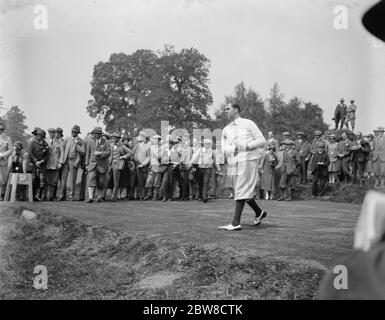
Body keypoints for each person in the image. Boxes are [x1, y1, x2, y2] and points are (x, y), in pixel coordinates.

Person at [219, 103, 267, 231]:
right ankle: (259, 212)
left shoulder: (248, 123)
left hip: (249, 159)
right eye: (225, 109)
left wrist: (247, 146)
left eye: (228, 109)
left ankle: (235, 223)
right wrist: (234, 148)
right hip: (234, 161)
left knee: (241, 188)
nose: (225, 111)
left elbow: (262, 140)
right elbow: (223, 148)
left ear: (236, 110)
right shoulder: (226, 129)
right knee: (240, 190)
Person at [58, 125, 85, 201]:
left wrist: (77, 145)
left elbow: (83, 152)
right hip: (66, 160)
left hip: (74, 161)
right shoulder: (67, 139)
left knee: (73, 180)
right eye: (72, 131)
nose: (73, 133)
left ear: (78, 133)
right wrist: (61, 161)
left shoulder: (81, 141)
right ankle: (61, 195)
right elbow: (62, 150)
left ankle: (71, 196)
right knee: (63, 179)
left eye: (75, 132)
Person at [189, 138, 221, 203]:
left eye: (209, 144)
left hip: (208, 168)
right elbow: (195, 157)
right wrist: (191, 163)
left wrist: (219, 169)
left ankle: (205, 197)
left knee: (206, 182)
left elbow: (216, 161)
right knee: (200, 183)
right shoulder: (200, 150)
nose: (208, 145)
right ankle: (201, 196)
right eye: (206, 143)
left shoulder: (212, 151)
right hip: (200, 168)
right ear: (204, 144)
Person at [84, 127, 111, 203]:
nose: (96, 135)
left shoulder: (106, 142)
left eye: (98, 133)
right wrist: (86, 164)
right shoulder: (90, 141)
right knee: (91, 179)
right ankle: (90, 198)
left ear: (101, 134)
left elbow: (108, 152)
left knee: (101, 181)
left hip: (102, 165)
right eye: (95, 133)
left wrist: (101, 154)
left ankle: (99, 197)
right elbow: (88, 153)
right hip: (92, 164)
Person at [27, 128, 49, 201]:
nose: (39, 137)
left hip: (42, 164)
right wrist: (35, 161)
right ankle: (31, 195)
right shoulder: (31, 143)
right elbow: (30, 153)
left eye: (41, 136)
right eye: (38, 135)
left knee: (41, 181)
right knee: (33, 180)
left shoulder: (45, 144)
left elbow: (47, 155)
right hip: (33, 164)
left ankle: (38, 196)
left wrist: (42, 161)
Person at [108, 132, 132, 201]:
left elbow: (131, 153)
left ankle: (113, 197)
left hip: (117, 164)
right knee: (109, 180)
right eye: (114, 137)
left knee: (116, 182)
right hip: (109, 164)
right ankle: (105, 196)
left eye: (116, 137)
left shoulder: (122, 146)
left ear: (119, 139)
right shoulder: (111, 144)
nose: (114, 138)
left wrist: (123, 157)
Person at [45, 128, 64, 201]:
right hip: (47, 163)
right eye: (50, 133)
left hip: (55, 164)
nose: (52, 134)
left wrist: (60, 162)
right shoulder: (45, 141)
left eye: (53, 133)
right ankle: (46, 196)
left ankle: (52, 196)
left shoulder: (59, 142)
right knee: (47, 181)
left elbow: (62, 153)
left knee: (54, 181)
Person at [144, 135, 163, 201]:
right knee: (149, 181)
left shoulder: (161, 148)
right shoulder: (151, 147)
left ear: (158, 140)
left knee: (156, 182)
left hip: (157, 166)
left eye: (155, 139)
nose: (153, 140)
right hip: (151, 166)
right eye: (153, 139)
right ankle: (148, 195)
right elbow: (149, 157)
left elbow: (159, 157)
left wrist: (152, 149)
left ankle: (155, 195)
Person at [133, 134, 150, 200]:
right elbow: (132, 153)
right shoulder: (136, 146)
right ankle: (138, 195)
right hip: (135, 164)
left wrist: (143, 164)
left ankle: (142, 196)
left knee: (142, 181)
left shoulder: (147, 146)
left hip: (143, 165)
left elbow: (148, 157)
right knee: (137, 181)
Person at [0, 122, 12, 200]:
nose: (0, 130)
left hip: (3, 161)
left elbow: (10, 150)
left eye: (2, 129)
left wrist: (2, 155)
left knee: (3, 179)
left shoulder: (7, 138)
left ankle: (1, 194)